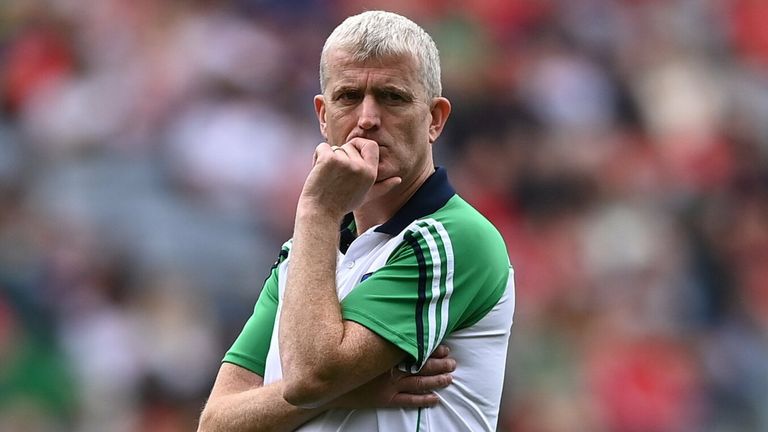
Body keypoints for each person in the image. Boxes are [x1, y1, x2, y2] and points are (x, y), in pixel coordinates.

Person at [198, 10, 515, 431]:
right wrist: (345, 391)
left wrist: (318, 208)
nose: (367, 118)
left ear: (435, 119)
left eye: (392, 96)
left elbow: (312, 377)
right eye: (348, 96)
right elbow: (218, 423)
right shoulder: (306, 253)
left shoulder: (452, 239)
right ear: (323, 115)